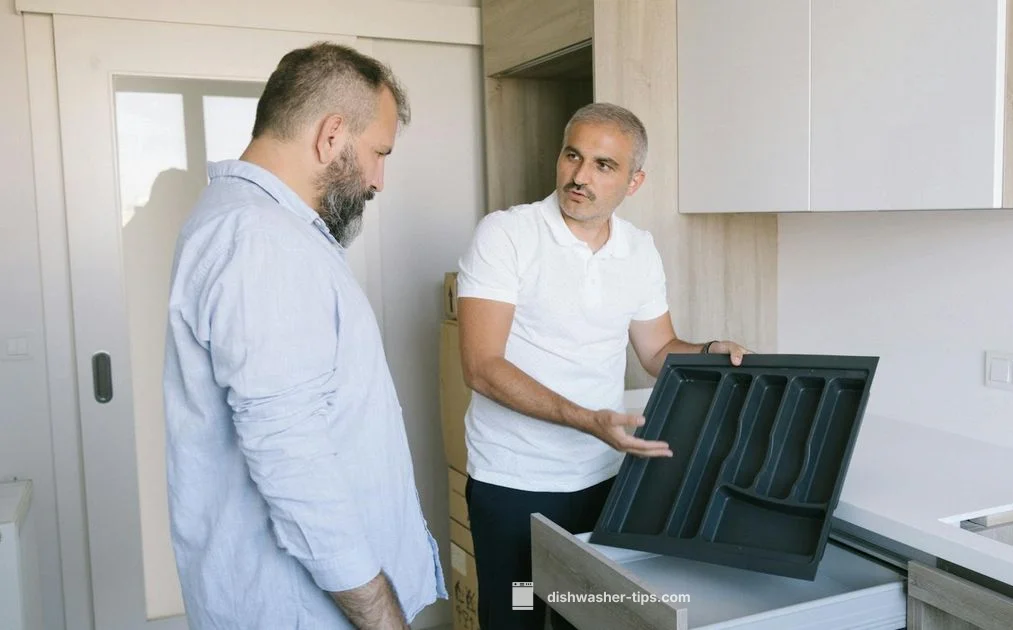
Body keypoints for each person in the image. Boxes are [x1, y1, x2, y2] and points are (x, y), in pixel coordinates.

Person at [162, 42, 444, 630]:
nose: (379, 180)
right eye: (377, 153)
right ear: (332, 134)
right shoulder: (260, 240)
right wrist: (381, 615)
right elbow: (290, 455)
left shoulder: (255, 225)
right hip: (300, 608)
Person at [455, 102, 750, 630]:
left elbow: (658, 351)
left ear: (634, 182)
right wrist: (588, 419)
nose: (580, 176)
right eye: (573, 156)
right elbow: (481, 366)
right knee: (518, 616)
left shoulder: (639, 250)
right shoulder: (506, 235)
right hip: (515, 482)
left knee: (589, 617)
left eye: (603, 165)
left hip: (606, 479)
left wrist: (709, 354)